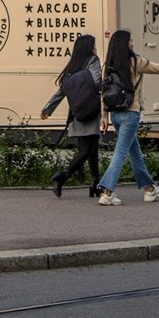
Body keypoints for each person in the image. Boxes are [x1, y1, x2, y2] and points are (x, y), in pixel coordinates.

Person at [94, 30, 159, 206]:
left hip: (115, 115)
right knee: (120, 155)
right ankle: (107, 192)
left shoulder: (109, 65)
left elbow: (104, 93)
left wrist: (104, 116)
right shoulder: (135, 61)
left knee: (135, 153)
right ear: (125, 44)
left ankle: (149, 189)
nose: (133, 43)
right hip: (131, 114)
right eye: (131, 40)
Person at [40, 34, 103, 198]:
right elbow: (97, 82)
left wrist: (48, 109)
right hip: (90, 110)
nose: (96, 48)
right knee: (86, 150)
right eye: (94, 45)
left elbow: (61, 91)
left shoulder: (72, 66)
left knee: (92, 148)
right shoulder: (93, 61)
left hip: (76, 113)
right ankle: (63, 176)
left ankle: (95, 183)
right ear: (89, 47)